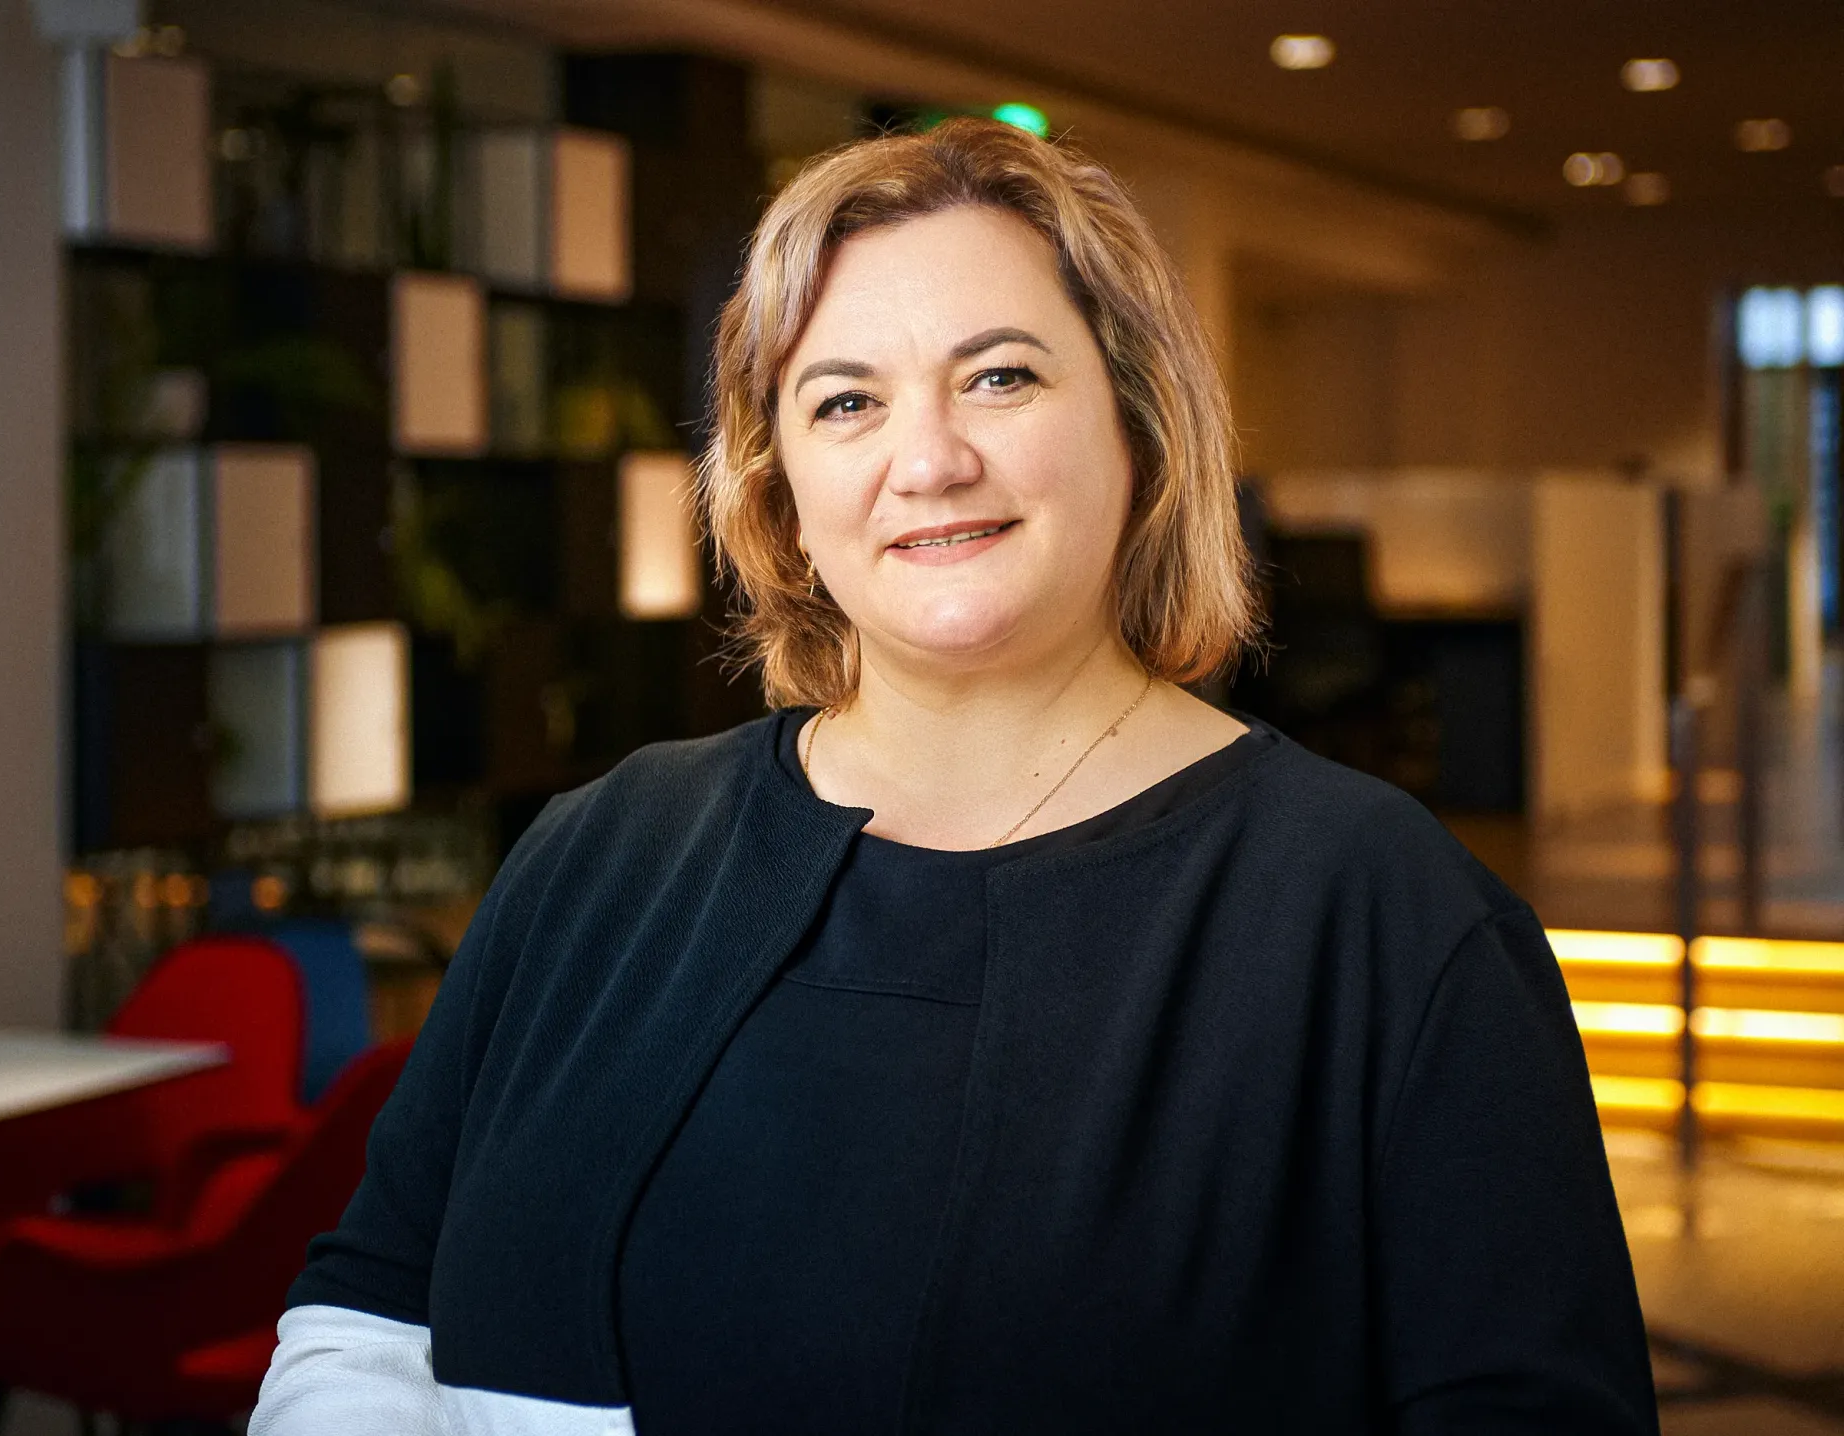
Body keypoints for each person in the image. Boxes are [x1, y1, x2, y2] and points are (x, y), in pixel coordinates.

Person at [252, 118, 1658, 1435]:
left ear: (1141, 429)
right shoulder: (598, 853)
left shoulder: (1381, 916)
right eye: (846, 400)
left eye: (1000, 375)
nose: (928, 459)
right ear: (778, 486)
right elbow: (374, 1308)